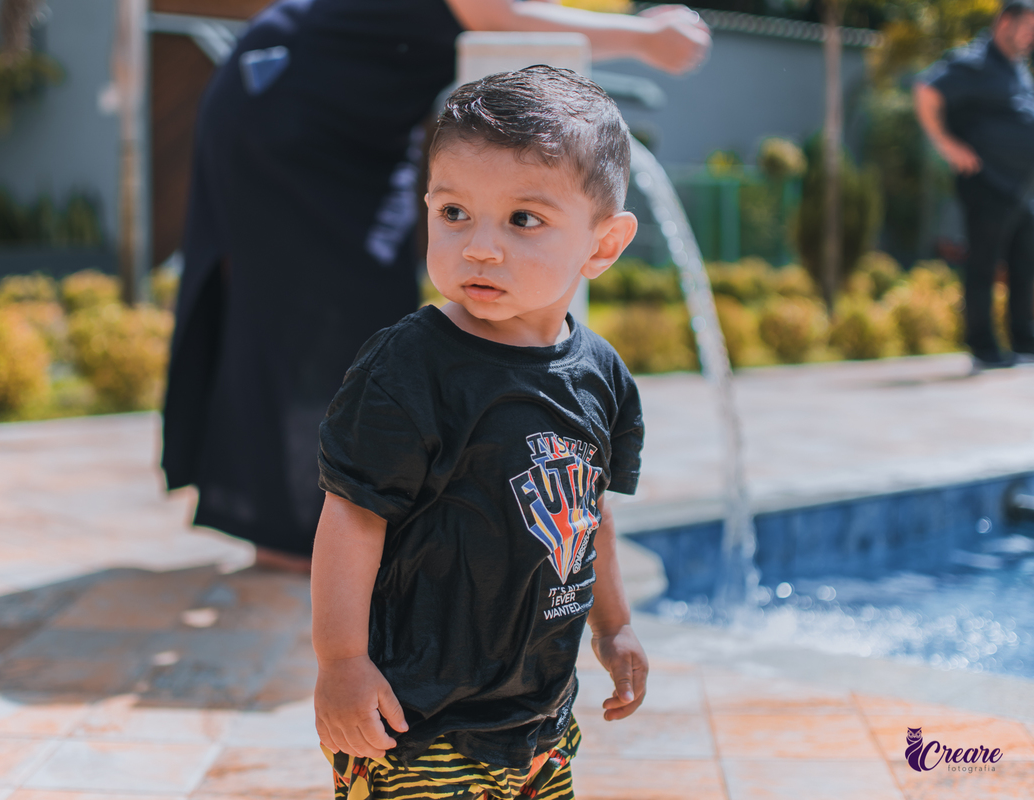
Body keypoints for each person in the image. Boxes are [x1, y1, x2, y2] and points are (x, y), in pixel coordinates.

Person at [160, 0, 709, 571]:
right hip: (291, 108)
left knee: (372, 322)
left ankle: (327, 526)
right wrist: (645, 38)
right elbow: (495, 13)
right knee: (322, 322)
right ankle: (294, 535)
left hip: (362, 131)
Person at [311, 66, 645, 800]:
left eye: (523, 220)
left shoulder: (601, 375)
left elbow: (589, 515)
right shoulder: (409, 367)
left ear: (603, 245)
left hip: (540, 725)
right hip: (415, 722)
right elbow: (353, 515)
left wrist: (614, 628)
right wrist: (340, 662)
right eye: (454, 212)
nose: (480, 247)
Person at [914, 0, 1034, 370]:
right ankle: (983, 346)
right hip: (987, 183)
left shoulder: (1015, 68)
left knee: (1024, 263)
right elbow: (926, 90)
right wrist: (946, 144)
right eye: (1028, 27)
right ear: (1004, 22)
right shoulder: (974, 62)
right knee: (983, 265)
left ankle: (1023, 338)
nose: (1031, 37)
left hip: (1019, 188)